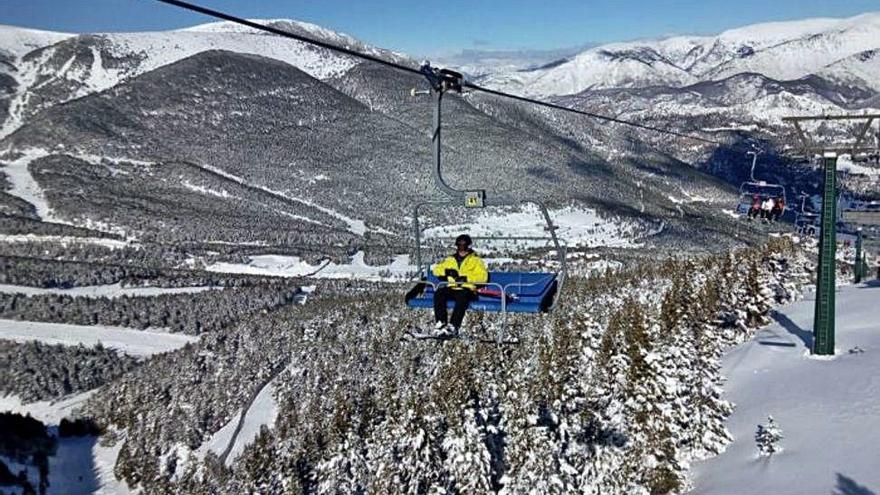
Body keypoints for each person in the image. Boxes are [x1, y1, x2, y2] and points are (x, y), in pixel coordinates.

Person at [431, 234, 488, 336]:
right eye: (459, 246)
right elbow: (436, 270)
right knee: (439, 293)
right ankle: (441, 323)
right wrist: (447, 271)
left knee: (462, 296)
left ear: (469, 246)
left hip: (467, 289)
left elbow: (482, 276)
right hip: (453, 287)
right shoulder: (451, 260)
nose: (462, 249)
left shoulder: (475, 260)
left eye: (464, 246)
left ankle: (453, 326)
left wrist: (467, 278)